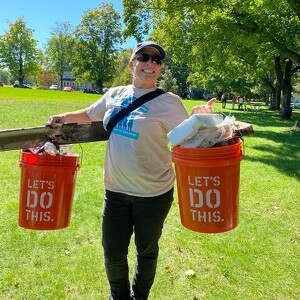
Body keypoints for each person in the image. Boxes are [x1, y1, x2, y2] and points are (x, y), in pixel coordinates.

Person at [47, 41, 215, 300]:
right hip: (115, 191)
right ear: (132, 63)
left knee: (146, 251)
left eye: (156, 61)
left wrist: (201, 119)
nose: (150, 64)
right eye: (144, 57)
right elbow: (91, 113)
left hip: (154, 194)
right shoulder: (115, 94)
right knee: (112, 253)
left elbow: (190, 140)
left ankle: (140, 297)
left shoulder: (170, 102)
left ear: (159, 69)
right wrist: (64, 116)